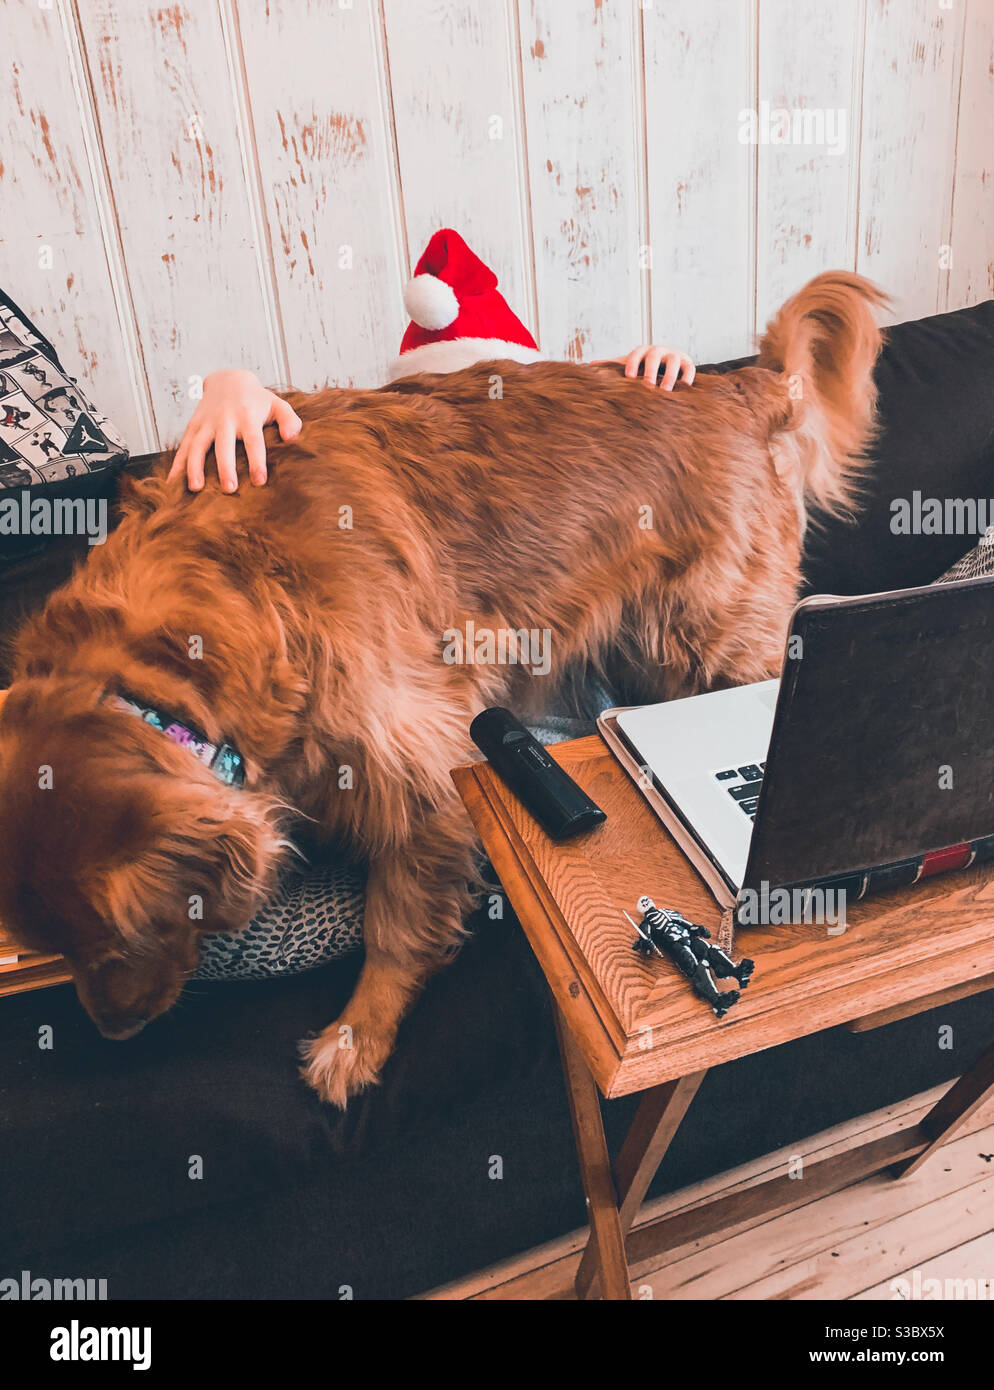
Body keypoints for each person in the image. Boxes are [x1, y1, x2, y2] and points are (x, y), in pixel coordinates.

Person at [170, 227, 695, 492]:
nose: (476, 430)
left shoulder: (552, 449)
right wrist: (232, 385)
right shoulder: (392, 458)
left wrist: (655, 363)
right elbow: (299, 421)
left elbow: (587, 390)